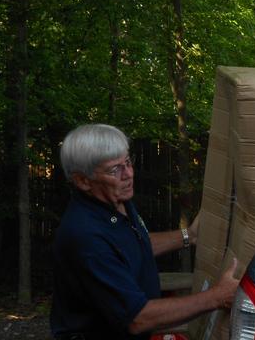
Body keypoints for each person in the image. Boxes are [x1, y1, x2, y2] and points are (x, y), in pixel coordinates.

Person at [50, 123, 239, 340]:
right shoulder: (85, 236)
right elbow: (137, 318)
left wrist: (189, 236)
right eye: (115, 169)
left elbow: (129, 244)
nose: (128, 174)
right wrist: (217, 297)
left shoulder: (115, 201)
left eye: (128, 162)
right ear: (82, 181)